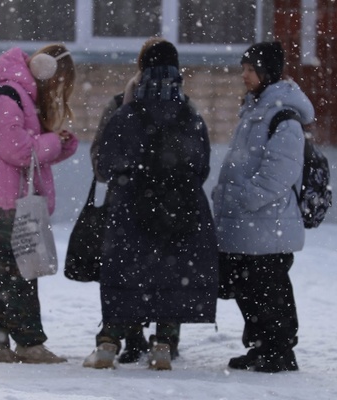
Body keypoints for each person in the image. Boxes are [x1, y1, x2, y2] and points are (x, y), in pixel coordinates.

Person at [84, 40, 218, 370]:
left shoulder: (124, 113)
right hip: (180, 207)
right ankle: (163, 344)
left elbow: (104, 163)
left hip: (131, 206)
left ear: (142, 71)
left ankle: (109, 341)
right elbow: (201, 165)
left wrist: (132, 181)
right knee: (171, 275)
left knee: (126, 273)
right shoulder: (189, 114)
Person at [0, 44, 79, 363]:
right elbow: (16, 150)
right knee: (16, 268)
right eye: (59, 83)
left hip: (13, 194)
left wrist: (60, 145)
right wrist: (49, 142)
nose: (57, 91)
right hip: (3, 196)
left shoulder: (20, 96)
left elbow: (28, 151)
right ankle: (23, 342)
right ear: (46, 71)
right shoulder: (7, 96)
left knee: (9, 266)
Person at [211, 41, 315, 373]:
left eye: (250, 70)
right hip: (248, 222)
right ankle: (260, 347)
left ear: (267, 73)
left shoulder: (283, 116)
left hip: (267, 222)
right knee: (248, 288)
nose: (244, 75)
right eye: (244, 68)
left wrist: (246, 197)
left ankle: (280, 350)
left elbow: (280, 172)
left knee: (271, 291)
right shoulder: (255, 110)